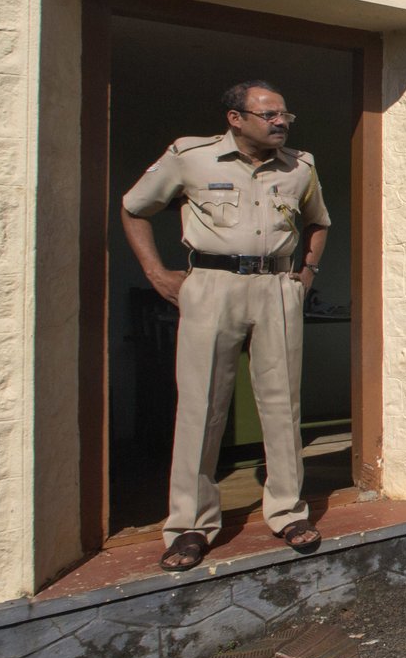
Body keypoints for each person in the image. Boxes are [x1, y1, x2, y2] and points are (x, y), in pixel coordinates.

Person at [121, 81, 331, 572]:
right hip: (212, 284)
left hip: (276, 287)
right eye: (269, 115)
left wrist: (305, 275)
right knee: (202, 406)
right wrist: (156, 273)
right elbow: (135, 208)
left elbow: (319, 221)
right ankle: (191, 524)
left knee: (282, 404)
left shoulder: (301, 166)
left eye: (285, 115)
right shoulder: (190, 156)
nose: (280, 122)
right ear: (236, 118)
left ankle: (287, 511)